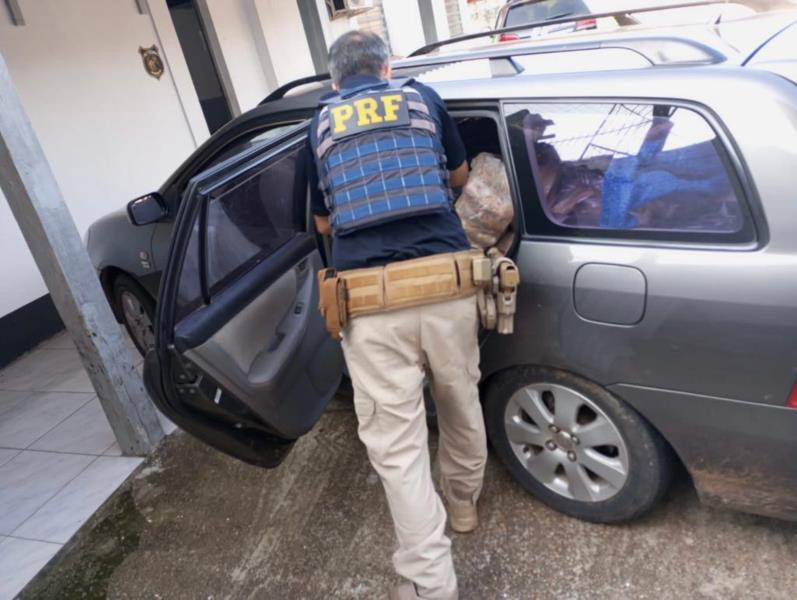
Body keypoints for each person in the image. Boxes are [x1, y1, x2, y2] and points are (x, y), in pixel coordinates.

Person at [306, 31, 487, 600]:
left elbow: (323, 225)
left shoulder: (320, 124)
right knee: (460, 403)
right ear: (388, 68)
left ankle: (432, 584)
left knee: (398, 448)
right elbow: (458, 179)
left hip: (370, 302)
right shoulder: (422, 98)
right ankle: (463, 507)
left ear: (334, 81)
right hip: (448, 287)